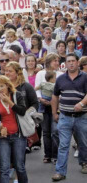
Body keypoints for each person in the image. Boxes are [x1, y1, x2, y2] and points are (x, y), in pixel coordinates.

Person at [51, 53, 87, 181]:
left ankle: (85, 162)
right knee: (63, 145)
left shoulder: (85, 77)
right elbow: (55, 96)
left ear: (78, 63)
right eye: (68, 61)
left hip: (82, 117)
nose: (71, 63)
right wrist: (54, 113)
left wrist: (82, 103)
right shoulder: (60, 79)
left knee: (83, 143)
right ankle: (60, 172)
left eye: (73, 61)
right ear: (65, 64)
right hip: (65, 117)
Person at [0, 75, 28, 183]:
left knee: (19, 166)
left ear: (7, 86)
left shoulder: (17, 95)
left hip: (18, 136)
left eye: (2, 86)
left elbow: (22, 111)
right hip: (3, 137)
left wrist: (9, 101)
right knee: (4, 167)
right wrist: (0, 127)